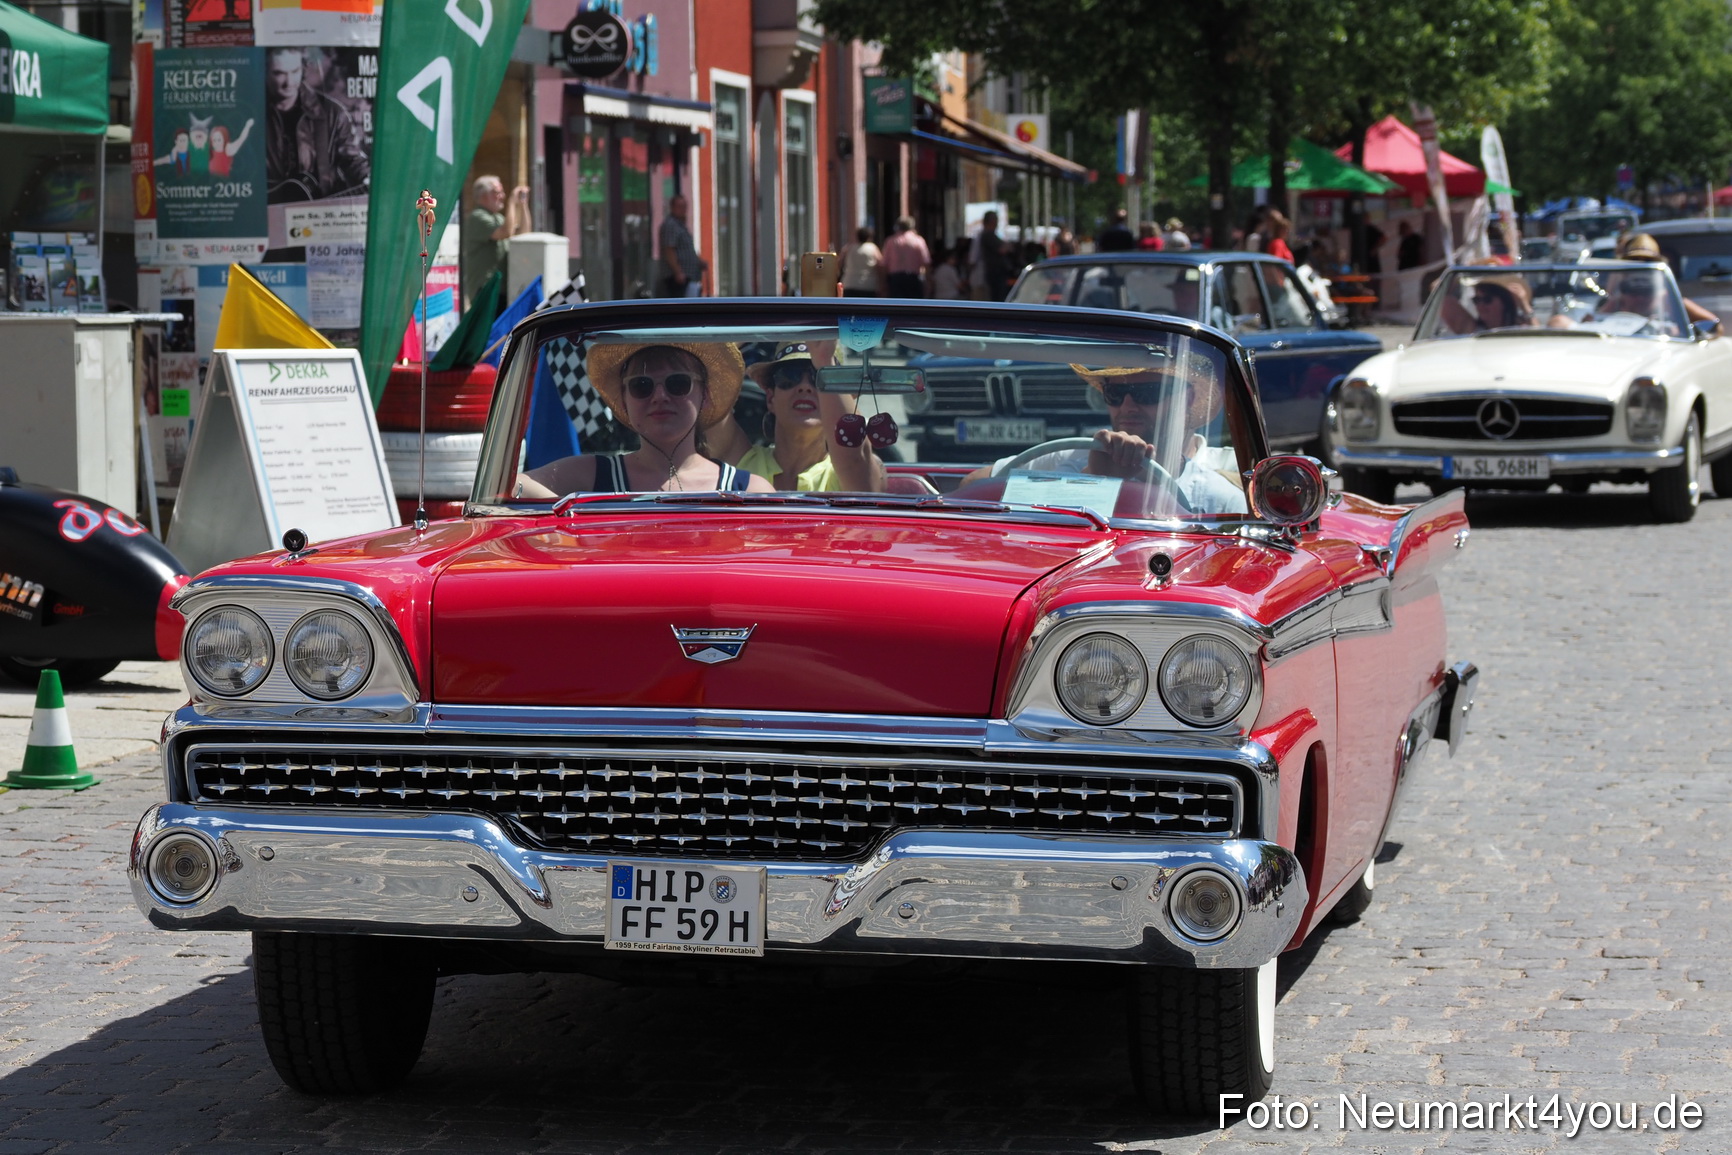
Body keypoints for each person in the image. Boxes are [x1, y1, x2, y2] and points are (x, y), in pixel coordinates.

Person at [962, 361, 1247, 515]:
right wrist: (1093, 479)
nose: (1127, 406)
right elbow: (972, 486)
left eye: (1148, 393)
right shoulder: (1066, 458)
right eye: (1114, 394)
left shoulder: (1218, 496)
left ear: (1187, 398)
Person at [517, 343, 774, 495]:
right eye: (642, 385)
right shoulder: (593, 474)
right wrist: (565, 517)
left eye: (678, 383)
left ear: (704, 394)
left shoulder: (749, 490)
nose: (660, 396)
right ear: (625, 400)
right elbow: (512, 485)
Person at [718, 342, 886, 492]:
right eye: (789, 375)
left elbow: (854, 455)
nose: (804, 387)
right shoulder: (740, 459)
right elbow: (708, 397)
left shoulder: (855, 469)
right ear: (770, 398)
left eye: (819, 377)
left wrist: (824, 360)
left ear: (841, 399)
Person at [265, 47, 370, 203]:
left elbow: (352, 158)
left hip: (321, 213)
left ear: (304, 69)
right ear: (265, 72)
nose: (289, 82)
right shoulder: (251, 112)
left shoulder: (333, 113)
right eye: (279, 73)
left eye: (294, 71)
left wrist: (366, 177)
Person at [1619, 232, 1720, 328]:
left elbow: (1714, 325)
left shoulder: (1668, 298)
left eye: (1648, 261)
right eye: (1634, 261)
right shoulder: (1619, 298)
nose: (1641, 267)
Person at [462, 175, 530, 307]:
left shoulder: (497, 218)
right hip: (485, 289)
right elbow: (506, 232)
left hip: (500, 288)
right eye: (497, 192)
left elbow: (523, 233)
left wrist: (523, 205)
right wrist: (511, 202)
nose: (502, 196)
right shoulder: (478, 217)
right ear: (483, 195)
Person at [1440, 273, 1535, 334]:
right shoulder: (1470, 329)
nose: (1480, 306)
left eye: (1487, 300)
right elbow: (1437, 289)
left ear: (1505, 302)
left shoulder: (1521, 328)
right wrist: (1462, 272)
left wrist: (1525, 305)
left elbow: (1541, 339)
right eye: (1476, 300)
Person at [658, 194, 706, 297]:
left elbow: (686, 249)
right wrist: (678, 272)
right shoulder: (671, 225)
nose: (683, 210)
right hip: (678, 278)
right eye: (679, 206)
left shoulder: (681, 225)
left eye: (684, 206)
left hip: (689, 277)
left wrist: (698, 261)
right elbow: (669, 250)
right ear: (672, 208)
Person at [881, 215, 931, 298]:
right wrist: (928, 281)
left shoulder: (890, 241)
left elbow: (884, 263)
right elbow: (926, 262)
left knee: (896, 305)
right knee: (914, 305)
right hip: (913, 278)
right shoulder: (918, 241)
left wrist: (883, 283)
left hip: (896, 279)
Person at [968, 212, 1012, 301]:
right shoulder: (986, 236)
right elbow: (972, 259)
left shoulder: (988, 235)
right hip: (987, 275)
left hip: (988, 275)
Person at [840, 226, 886, 297]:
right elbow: (881, 265)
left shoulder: (848, 248)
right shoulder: (873, 248)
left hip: (850, 284)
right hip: (868, 285)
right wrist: (882, 284)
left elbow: (839, 263)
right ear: (869, 237)